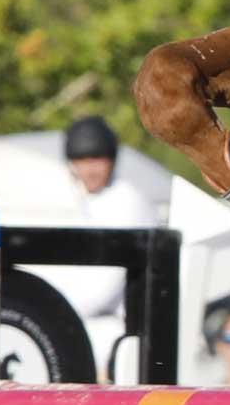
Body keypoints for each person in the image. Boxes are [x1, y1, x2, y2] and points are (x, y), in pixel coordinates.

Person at [39, 115, 154, 347]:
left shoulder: (127, 201)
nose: (90, 170)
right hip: (79, 321)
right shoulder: (77, 201)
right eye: (83, 161)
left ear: (111, 161)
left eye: (97, 160)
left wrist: (50, 311)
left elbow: (107, 284)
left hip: (117, 329)